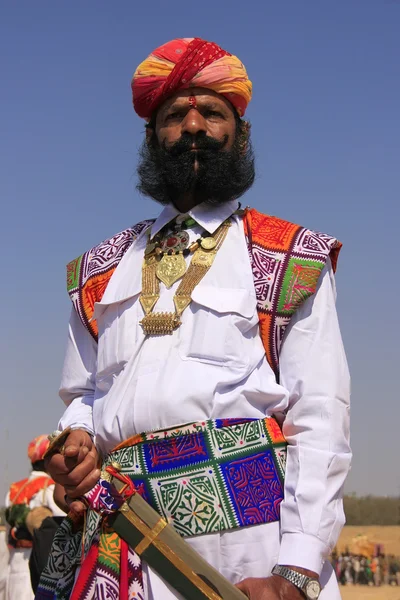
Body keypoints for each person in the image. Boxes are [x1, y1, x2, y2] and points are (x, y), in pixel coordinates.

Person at [40, 37, 351, 600]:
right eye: (174, 114)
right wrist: (79, 442)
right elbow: (83, 396)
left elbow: (321, 416)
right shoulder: (99, 270)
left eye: (211, 111)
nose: (193, 125)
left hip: (254, 553)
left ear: (241, 133)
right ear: (150, 137)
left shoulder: (289, 256)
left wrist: (297, 569)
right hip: (122, 542)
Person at [5, 436, 64, 600]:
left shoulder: (14, 490)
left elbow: (8, 534)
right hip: (37, 563)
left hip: (14, 565)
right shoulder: (52, 488)